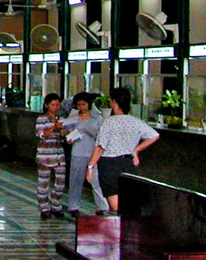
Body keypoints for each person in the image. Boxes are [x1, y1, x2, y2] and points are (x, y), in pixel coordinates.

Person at [87, 87, 159, 215]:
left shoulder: (108, 122)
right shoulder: (136, 121)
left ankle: (117, 229)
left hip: (109, 165)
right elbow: (154, 135)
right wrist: (136, 150)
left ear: (114, 102)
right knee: (129, 202)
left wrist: (90, 166)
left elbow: (100, 147)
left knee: (115, 205)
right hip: (128, 164)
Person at [61, 92, 108, 217]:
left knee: (96, 180)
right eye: (79, 105)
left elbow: (101, 135)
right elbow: (67, 131)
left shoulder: (97, 117)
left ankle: (102, 206)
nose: (81, 107)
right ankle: (73, 206)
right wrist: (68, 137)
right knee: (76, 179)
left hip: (92, 152)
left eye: (84, 104)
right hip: (77, 151)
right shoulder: (73, 117)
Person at [34, 93, 69, 218]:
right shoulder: (41, 119)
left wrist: (65, 133)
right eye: (53, 105)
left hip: (58, 154)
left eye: (57, 105)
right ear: (46, 105)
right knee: (43, 182)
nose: (55, 107)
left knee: (60, 182)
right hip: (45, 155)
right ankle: (44, 208)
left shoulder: (61, 119)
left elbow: (63, 135)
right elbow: (41, 134)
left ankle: (56, 205)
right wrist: (54, 127)